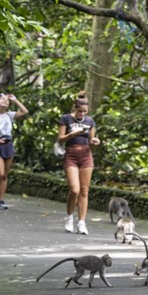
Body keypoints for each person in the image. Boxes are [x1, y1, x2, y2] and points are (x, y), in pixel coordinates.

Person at [56, 95, 100, 235]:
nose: (82, 114)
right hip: (71, 155)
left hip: (86, 156)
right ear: (75, 108)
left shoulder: (90, 121)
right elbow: (60, 139)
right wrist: (72, 134)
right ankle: (69, 217)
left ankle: (82, 222)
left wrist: (94, 141)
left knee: (84, 190)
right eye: (80, 111)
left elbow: (91, 139)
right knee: (74, 189)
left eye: (85, 112)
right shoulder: (66, 119)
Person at [0, 92, 29, 210]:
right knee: (0, 174)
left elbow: (25, 111)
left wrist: (15, 100)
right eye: (3, 99)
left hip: (8, 145)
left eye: (7, 100)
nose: (5, 101)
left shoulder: (9, 115)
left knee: (5, 176)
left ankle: (1, 201)